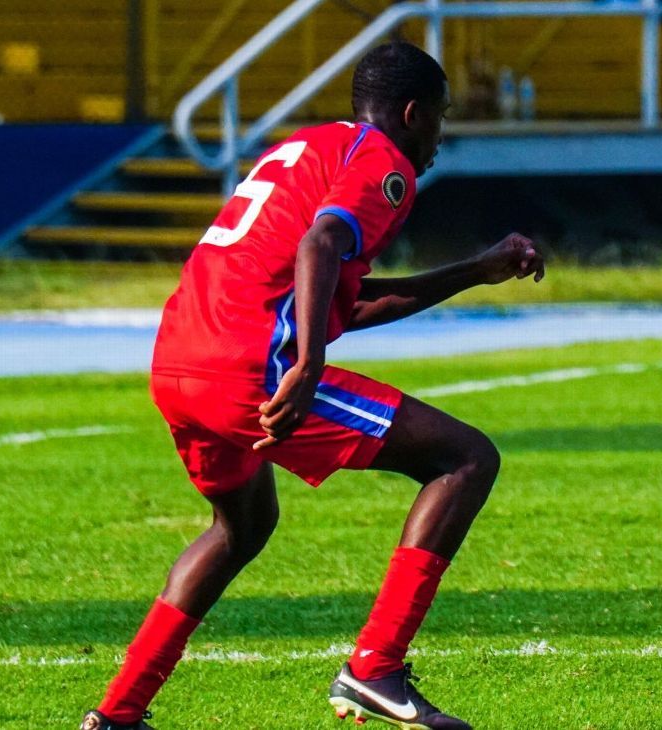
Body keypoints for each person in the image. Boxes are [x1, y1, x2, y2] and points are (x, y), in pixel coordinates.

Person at [80, 42, 545, 730]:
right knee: (466, 458)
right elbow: (321, 246)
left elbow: (339, 300)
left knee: (242, 526)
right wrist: (306, 367)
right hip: (248, 367)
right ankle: (375, 667)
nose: (437, 144)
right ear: (412, 114)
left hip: (178, 360)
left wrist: (474, 270)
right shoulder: (383, 163)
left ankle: (118, 714)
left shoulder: (305, 148)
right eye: (438, 123)